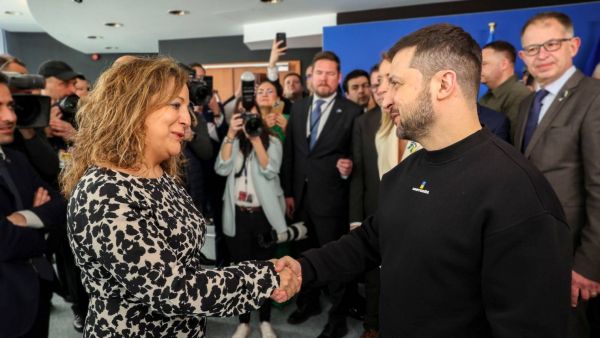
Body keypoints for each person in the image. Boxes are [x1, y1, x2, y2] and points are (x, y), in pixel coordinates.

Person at [275, 23, 572, 337]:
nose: (386, 100)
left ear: (443, 84)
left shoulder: (519, 194)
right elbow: (370, 240)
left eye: (397, 84)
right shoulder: (406, 171)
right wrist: (303, 269)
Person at [59, 57, 299, 337]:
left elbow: (184, 267)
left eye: (187, 106)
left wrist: (262, 270)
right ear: (133, 108)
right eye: (175, 105)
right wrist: (266, 276)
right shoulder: (103, 192)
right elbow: (174, 291)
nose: (188, 119)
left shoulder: (157, 173)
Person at [513, 11, 600, 338]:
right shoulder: (527, 104)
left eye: (551, 44)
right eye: (532, 49)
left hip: (572, 253)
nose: (542, 55)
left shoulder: (594, 97)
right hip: (530, 248)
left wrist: (589, 264)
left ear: (573, 45)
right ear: (523, 56)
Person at [282, 51, 362, 338]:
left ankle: (337, 317)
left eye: (330, 73)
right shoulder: (299, 108)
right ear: (311, 76)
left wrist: (345, 170)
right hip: (299, 201)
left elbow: (355, 161)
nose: (324, 78)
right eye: (319, 73)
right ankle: (309, 303)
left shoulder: (352, 112)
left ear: (338, 78)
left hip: (332, 202)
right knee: (302, 257)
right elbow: (291, 154)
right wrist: (289, 193)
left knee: (336, 262)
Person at [0, 72, 66, 338]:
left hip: (36, 292)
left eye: (10, 106)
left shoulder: (15, 158)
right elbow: (3, 240)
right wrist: (40, 225)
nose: (11, 117)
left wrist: (24, 218)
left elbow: (60, 205)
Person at [215, 106, 287, 338]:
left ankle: (265, 321)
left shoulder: (272, 141)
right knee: (240, 271)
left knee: (267, 270)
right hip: (237, 215)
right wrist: (230, 136)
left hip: (263, 215)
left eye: (253, 116)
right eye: (244, 116)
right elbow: (221, 167)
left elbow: (271, 170)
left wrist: (256, 139)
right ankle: (243, 322)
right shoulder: (233, 141)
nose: (248, 120)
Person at [478, 40, 531, 139]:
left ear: (504, 64)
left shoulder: (519, 94)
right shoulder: (488, 96)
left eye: (484, 64)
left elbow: (514, 142)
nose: (478, 68)